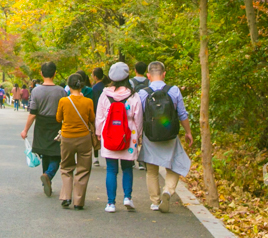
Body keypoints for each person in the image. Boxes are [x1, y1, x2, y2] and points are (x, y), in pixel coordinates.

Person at [139, 61, 194, 213]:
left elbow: (138, 117)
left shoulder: (143, 93)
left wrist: (137, 135)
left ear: (148, 76)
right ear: (164, 74)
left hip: (150, 136)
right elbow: (182, 114)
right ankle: (168, 190)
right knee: (175, 165)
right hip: (170, 135)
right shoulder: (174, 90)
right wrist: (188, 132)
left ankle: (155, 201)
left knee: (151, 170)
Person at [96, 62, 144, 213]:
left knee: (111, 169)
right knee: (128, 167)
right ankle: (127, 198)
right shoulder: (133, 95)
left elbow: (100, 117)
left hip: (109, 134)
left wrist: (98, 133)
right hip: (128, 136)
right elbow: (139, 118)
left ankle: (111, 203)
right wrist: (140, 135)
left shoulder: (105, 94)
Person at [21, 61, 63, 198]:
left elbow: (33, 113)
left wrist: (25, 130)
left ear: (41, 73)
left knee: (45, 153)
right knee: (57, 154)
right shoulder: (61, 91)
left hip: (41, 124)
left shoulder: (36, 91)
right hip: (57, 124)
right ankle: (48, 176)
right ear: (55, 73)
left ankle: (47, 177)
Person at [57, 72, 96, 210]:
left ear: (69, 85)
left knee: (66, 167)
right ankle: (78, 201)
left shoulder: (63, 101)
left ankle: (66, 196)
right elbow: (92, 118)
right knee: (83, 169)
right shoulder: (88, 101)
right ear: (82, 85)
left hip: (67, 137)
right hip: (84, 137)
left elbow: (58, 118)